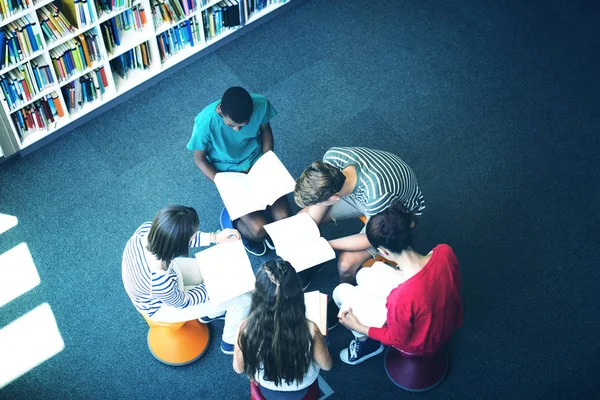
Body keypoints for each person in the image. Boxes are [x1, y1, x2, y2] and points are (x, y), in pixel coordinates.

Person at [333, 202, 463, 365]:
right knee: (363, 275)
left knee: (341, 292)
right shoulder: (444, 251)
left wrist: (358, 327)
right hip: (447, 318)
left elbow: (398, 339)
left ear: (384, 251)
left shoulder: (400, 300)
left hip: (419, 343)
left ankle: (368, 345)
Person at [121, 205, 251, 355]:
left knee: (215, 269)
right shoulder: (159, 281)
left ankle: (209, 314)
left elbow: (180, 238)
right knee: (244, 300)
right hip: (164, 306)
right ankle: (230, 343)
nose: (194, 236)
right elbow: (183, 302)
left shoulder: (147, 230)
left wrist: (215, 237)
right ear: (177, 247)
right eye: (192, 236)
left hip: (168, 276)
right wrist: (216, 286)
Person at [294, 146, 426, 284]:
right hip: (360, 193)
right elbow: (314, 211)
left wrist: (326, 245)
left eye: (319, 202)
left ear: (333, 198)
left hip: (395, 212)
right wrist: (308, 229)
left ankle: (348, 290)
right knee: (301, 220)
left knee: (346, 264)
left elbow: (370, 237)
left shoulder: (379, 196)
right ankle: (314, 262)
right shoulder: (331, 158)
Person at [187, 86, 291, 257]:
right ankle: (234, 222)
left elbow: (266, 131)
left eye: (243, 125)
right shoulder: (205, 123)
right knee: (259, 231)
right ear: (220, 109)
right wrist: (222, 183)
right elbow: (199, 159)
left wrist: (268, 161)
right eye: (231, 125)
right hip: (228, 172)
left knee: (284, 218)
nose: (237, 130)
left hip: (257, 162)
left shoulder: (261, 104)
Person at [234, 260, 332, 399]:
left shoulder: (245, 328)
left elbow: (238, 368)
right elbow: (326, 365)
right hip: (301, 385)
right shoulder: (310, 329)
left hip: (267, 386)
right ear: (297, 292)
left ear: (258, 294)